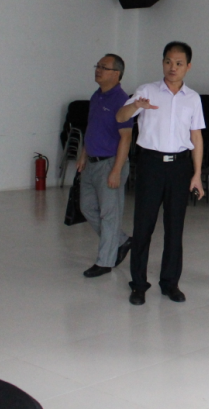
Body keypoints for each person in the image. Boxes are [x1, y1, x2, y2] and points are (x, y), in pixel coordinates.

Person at [116, 41, 205, 306]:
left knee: (175, 229)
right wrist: (136, 105)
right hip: (151, 165)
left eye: (178, 63)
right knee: (143, 226)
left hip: (180, 167)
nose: (172, 67)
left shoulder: (193, 98)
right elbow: (121, 116)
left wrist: (197, 174)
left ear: (188, 66)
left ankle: (170, 283)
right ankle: (138, 284)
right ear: (162, 62)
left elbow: (196, 137)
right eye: (168, 62)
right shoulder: (146, 91)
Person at [77, 54, 134, 278]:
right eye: (97, 66)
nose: (98, 70)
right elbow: (92, 127)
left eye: (104, 67)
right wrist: (83, 154)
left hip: (110, 163)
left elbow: (126, 138)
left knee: (109, 215)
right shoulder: (96, 96)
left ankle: (105, 262)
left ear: (116, 73)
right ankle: (121, 240)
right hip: (91, 162)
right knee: (87, 208)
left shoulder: (121, 100)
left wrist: (116, 170)